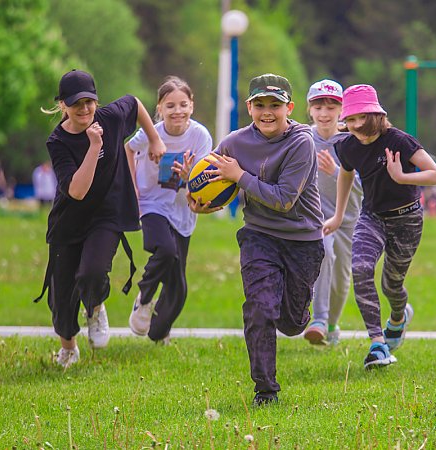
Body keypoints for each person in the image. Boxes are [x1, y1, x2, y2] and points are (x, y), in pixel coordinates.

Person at [188, 74, 324, 406]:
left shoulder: (301, 143)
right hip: (259, 237)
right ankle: (266, 390)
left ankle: (297, 313)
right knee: (260, 308)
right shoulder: (234, 143)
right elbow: (213, 181)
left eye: (275, 105)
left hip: (302, 240)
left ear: (289, 108)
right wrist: (198, 201)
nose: (267, 112)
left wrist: (240, 176)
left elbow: (284, 199)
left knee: (291, 324)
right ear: (249, 107)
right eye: (260, 104)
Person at [34, 69, 165, 368]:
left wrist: (155, 139)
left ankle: (94, 306)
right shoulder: (58, 142)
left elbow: (134, 102)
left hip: (107, 214)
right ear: (62, 105)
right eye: (76, 103)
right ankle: (68, 347)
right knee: (61, 294)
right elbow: (77, 191)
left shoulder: (110, 117)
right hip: (69, 220)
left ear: (96, 101)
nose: (84, 109)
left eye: (89, 102)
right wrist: (95, 146)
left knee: (92, 272)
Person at [323, 84, 436, 370]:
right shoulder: (347, 145)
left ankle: (399, 318)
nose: (353, 125)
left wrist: (402, 178)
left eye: (359, 118)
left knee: (392, 284)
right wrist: (339, 216)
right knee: (361, 268)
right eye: (349, 119)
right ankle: (377, 343)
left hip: (407, 219)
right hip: (372, 217)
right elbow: (345, 174)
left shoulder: (399, 140)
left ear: (375, 115)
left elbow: (435, 175)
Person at [126, 76, 213, 344]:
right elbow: (127, 149)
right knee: (164, 250)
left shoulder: (200, 136)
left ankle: (158, 331)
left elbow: (203, 186)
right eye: (170, 105)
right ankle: (144, 297)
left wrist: (190, 177)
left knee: (179, 287)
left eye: (183, 104)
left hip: (183, 211)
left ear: (192, 106)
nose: (178, 111)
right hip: (152, 204)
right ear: (160, 108)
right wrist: (133, 190)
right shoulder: (152, 132)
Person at [300, 79, 362, 347]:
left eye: (330, 107)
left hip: (349, 221)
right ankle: (320, 320)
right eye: (318, 107)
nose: (324, 113)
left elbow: (363, 187)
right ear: (309, 110)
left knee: (340, 278)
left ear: (342, 111)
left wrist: (336, 172)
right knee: (324, 253)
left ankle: (333, 324)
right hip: (316, 217)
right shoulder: (302, 138)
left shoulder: (353, 140)